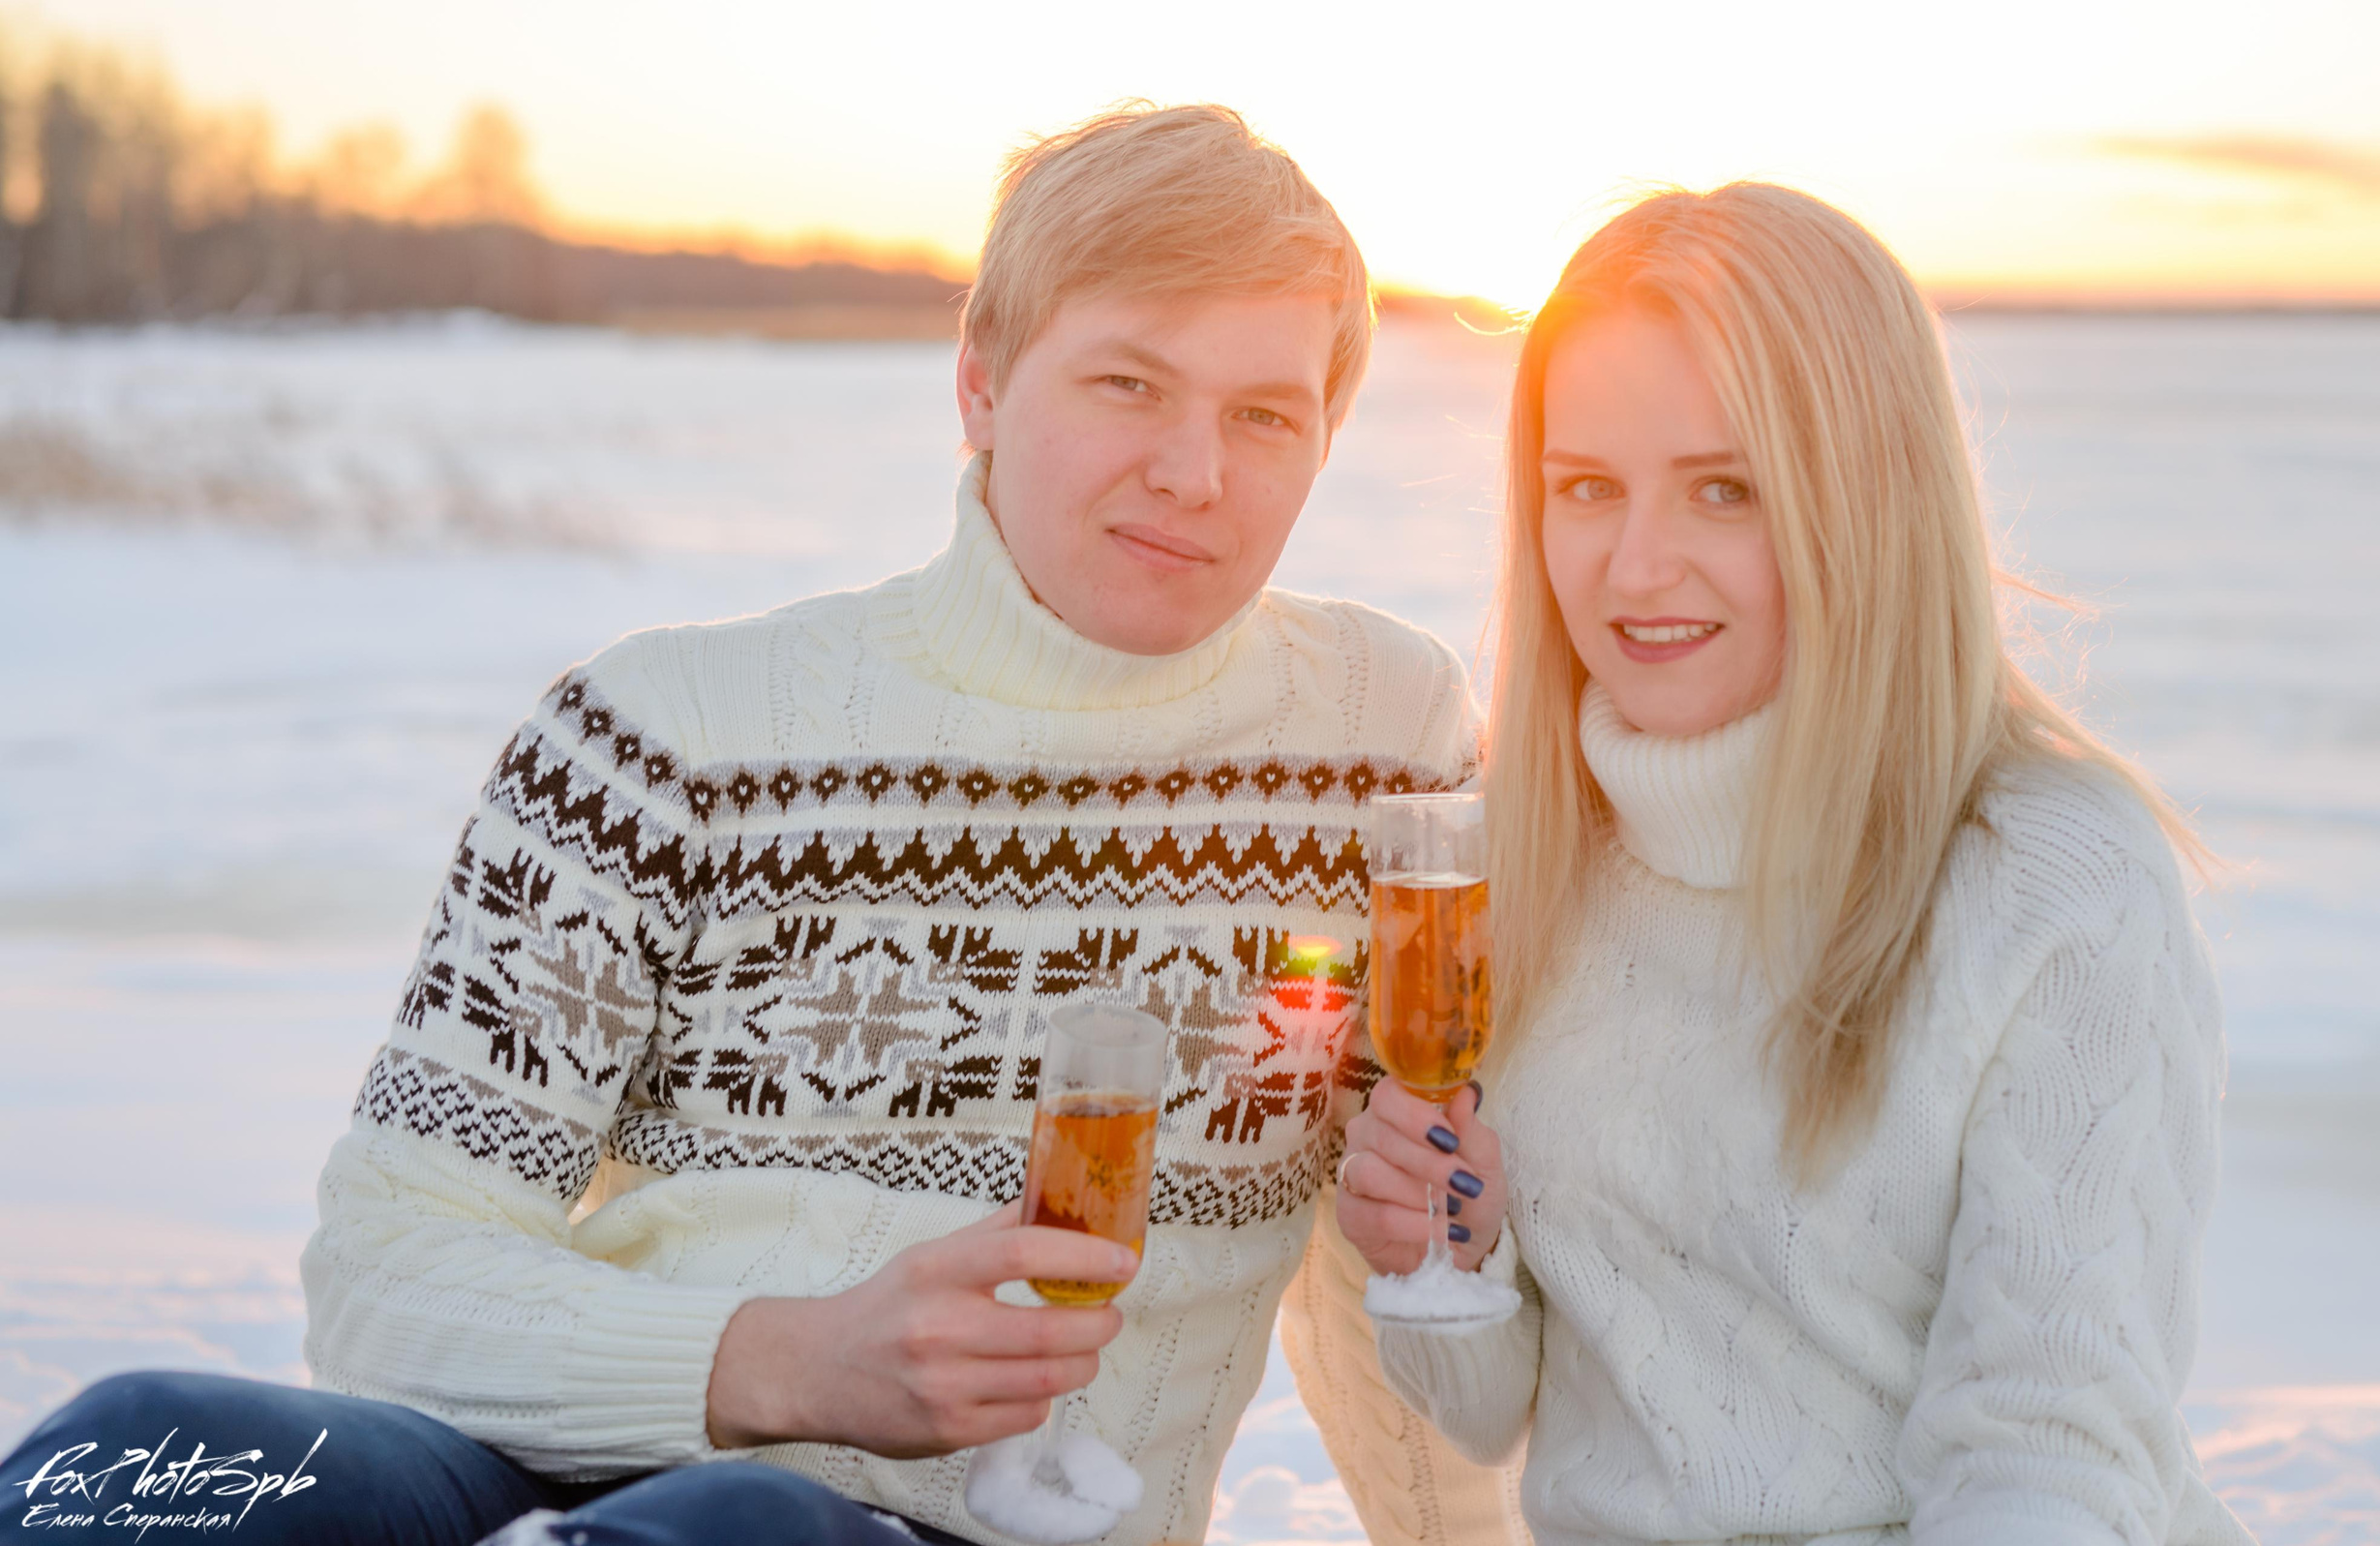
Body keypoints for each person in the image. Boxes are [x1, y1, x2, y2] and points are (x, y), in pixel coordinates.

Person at [1, 104, 1512, 1546]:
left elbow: (1427, 1202)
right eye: (1129, 383)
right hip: (544, 1459)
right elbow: (387, 1273)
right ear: (981, 379)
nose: (1196, 473)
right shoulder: (663, 735)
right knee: (133, 1449)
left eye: (1266, 413)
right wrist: (779, 1358)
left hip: (974, 1521)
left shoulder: (1380, 736)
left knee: (732, 1525)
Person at [1328, 184, 2252, 1545]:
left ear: (1866, 494)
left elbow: (2050, 1452)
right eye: (1587, 486)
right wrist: (1436, 1258)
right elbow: (1501, 1410)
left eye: (1726, 488)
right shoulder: (1521, 856)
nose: (1637, 566)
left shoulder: (2052, 877)